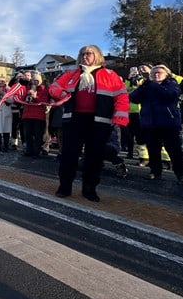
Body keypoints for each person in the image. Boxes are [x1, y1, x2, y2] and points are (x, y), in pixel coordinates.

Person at [49, 44, 129, 202]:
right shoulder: (72, 74)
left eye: (89, 54)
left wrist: (120, 118)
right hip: (74, 119)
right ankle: (65, 186)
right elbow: (53, 88)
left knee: (94, 157)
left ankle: (89, 188)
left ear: (97, 56)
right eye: (83, 54)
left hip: (99, 121)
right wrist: (62, 93)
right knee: (69, 155)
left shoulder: (109, 74)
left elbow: (121, 96)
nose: (85, 56)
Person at [129, 64, 183, 185]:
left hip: (169, 123)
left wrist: (152, 84)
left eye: (159, 72)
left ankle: (181, 175)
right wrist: (143, 86)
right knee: (153, 150)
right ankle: (155, 172)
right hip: (150, 123)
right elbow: (133, 98)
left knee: (175, 151)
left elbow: (170, 95)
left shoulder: (171, 84)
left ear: (166, 74)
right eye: (154, 73)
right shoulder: (147, 85)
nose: (156, 74)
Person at [20, 72, 49, 157]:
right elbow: (22, 99)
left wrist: (35, 97)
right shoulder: (27, 88)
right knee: (28, 135)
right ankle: (29, 151)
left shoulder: (44, 89)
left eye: (37, 80)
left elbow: (44, 100)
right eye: (33, 80)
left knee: (38, 135)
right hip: (27, 115)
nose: (35, 82)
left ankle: (36, 152)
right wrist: (26, 95)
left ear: (40, 81)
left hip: (38, 116)